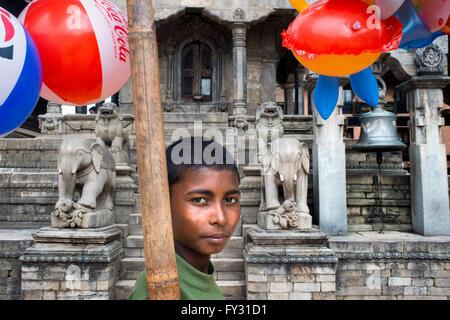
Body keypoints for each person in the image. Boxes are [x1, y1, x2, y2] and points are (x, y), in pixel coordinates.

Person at [129, 137, 241, 300]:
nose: (221, 218)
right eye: (199, 200)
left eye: (230, 200)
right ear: (163, 204)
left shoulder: (203, 277)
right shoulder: (156, 289)